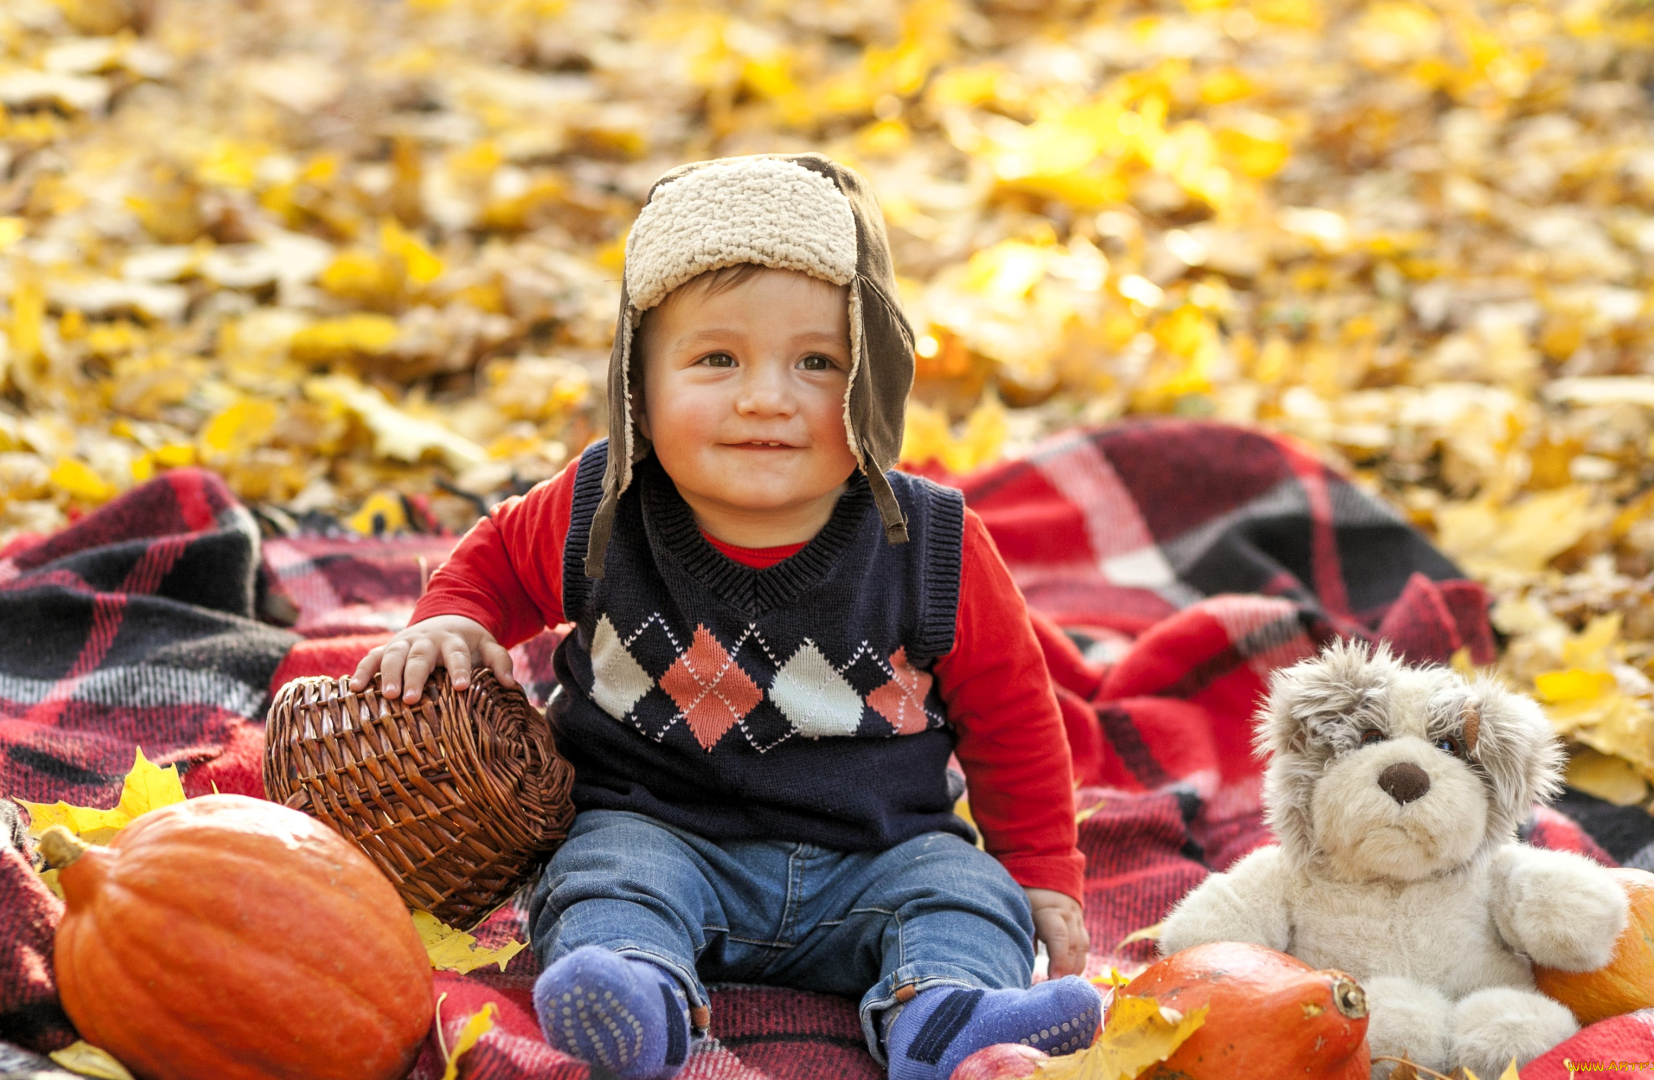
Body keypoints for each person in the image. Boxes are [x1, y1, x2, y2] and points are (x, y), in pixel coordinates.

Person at [353, 153, 1097, 1080]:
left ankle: (947, 1012)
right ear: (638, 383)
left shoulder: (931, 545)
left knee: (967, 895)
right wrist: (454, 619)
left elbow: (1014, 717)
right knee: (598, 879)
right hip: (658, 831)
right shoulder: (601, 507)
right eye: (717, 359)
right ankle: (638, 994)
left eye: (817, 363)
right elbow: (498, 559)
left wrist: (1041, 873)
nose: (765, 398)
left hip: (879, 856)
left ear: (875, 383)